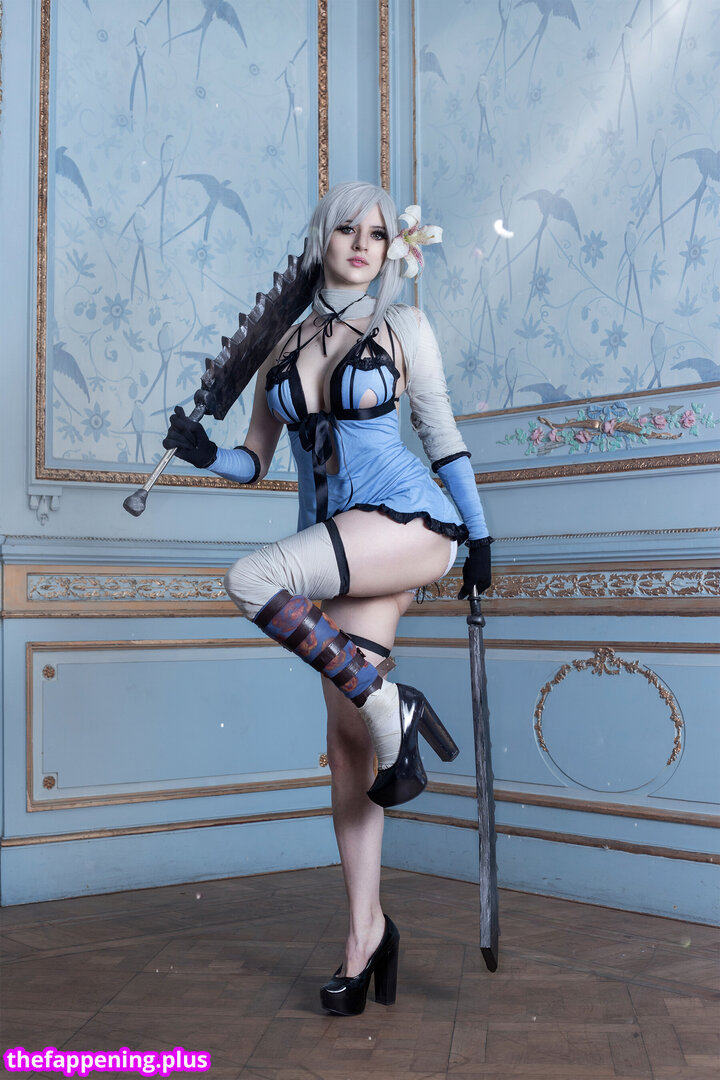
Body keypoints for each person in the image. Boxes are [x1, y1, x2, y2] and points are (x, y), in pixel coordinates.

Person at [163, 181, 492, 1015]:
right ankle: (365, 934)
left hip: (408, 522)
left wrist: (482, 537)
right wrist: (203, 455)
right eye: (346, 229)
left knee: (251, 579)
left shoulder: (404, 327)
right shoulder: (284, 343)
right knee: (350, 748)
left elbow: (441, 437)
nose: (360, 244)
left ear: (391, 249)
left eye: (376, 234)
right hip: (337, 542)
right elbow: (255, 459)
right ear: (323, 238)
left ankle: (396, 710)